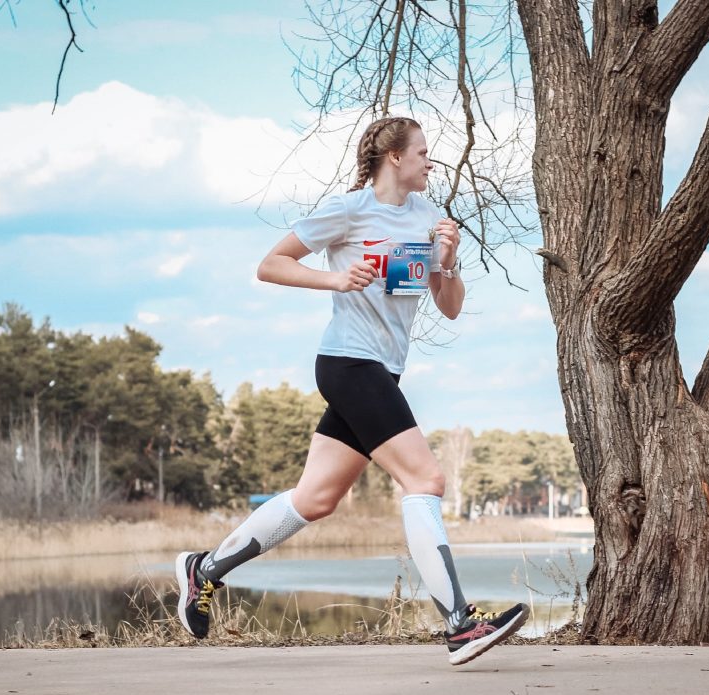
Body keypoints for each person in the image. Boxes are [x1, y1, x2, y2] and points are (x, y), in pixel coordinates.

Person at [175, 116, 529, 666]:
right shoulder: (347, 210)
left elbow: (450, 305)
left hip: (383, 371)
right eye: (422, 153)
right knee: (426, 478)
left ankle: (205, 570)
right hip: (346, 361)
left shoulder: (430, 218)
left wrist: (450, 262)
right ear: (393, 157)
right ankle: (459, 624)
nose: (430, 162)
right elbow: (271, 265)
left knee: (316, 499)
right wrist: (335, 279)